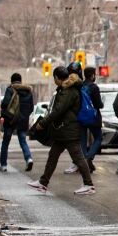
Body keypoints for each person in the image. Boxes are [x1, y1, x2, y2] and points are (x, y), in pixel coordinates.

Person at [27, 66, 95, 195]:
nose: (54, 80)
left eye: (54, 78)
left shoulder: (67, 91)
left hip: (68, 130)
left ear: (57, 78)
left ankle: (89, 184)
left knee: (78, 157)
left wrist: (42, 123)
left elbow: (58, 111)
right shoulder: (67, 89)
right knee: (53, 156)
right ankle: (43, 182)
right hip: (63, 130)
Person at [66, 66, 102, 174]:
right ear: (92, 75)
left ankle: (82, 163)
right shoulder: (94, 87)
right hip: (93, 117)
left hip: (81, 117)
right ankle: (88, 158)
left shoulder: (80, 86)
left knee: (82, 141)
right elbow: (99, 104)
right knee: (98, 138)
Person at [0, 73, 34, 172]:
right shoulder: (28, 91)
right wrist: (24, 116)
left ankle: (3, 165)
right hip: (23, 121)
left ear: (12, 81)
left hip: (11, 120)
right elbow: (31, 108)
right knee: (23, 141)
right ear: (21, 81)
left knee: (5, 142)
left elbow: (5, 103)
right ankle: (29, 158)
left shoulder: (10, 89)